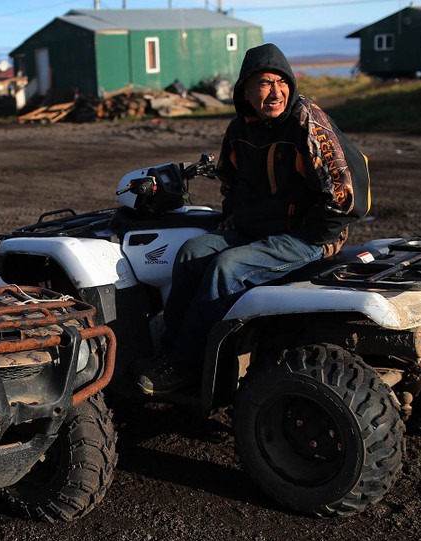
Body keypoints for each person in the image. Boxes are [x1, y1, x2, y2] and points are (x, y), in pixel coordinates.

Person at [136, 43, 366, 395]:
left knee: (227, 268)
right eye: (263, 83)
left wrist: (321, 233)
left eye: (281, 81)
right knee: (190, 252)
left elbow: (344, 184)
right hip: (256, 230)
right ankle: (168, 351)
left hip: (306, 235)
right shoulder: (240, 128)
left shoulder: (306, 120)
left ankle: (186, 364)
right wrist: (233, 216)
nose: (275, 92)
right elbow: (230, 178)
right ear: (245, 89)